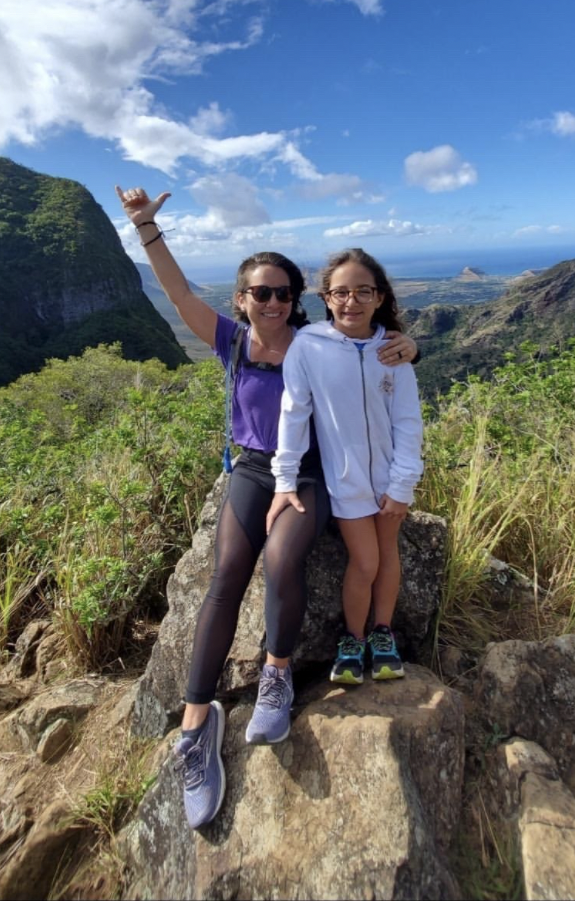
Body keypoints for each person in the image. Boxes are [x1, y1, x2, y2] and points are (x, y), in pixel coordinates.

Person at [116, 187, 418, 829]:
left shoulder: (314, 341)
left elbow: (370, 345)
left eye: (284, 292)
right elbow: (177, 296)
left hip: (309, 474)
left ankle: (275, 674)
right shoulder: (230, 340)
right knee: (226, 575)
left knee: (282, 561)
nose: (274, 302)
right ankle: (197, 723)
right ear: (243, 300)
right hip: (253, 470)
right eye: (262, 292)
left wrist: (409, 345)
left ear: (297, 299)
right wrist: (146, 227)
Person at [267, 247, 424, 687]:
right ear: (326, 297)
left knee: (387, 556)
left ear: (379, 297)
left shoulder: (392, 350)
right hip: (346, 482)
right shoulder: (308, 347)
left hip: (392, 480)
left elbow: (408, 420)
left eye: (362, 291)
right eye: (341, 292)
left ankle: (382, 634)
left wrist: (404, 483)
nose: (351, 301)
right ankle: (353, 638)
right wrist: (285, 479)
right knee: (366, 561)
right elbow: (294, 414)